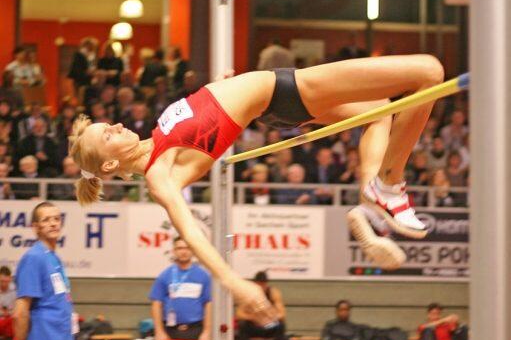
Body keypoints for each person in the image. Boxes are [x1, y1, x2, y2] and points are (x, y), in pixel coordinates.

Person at [68, 54, 445, 323]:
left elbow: (208, 114)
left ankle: (369, 199)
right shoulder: (159, 174)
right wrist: (234, 283)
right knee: (428, 71)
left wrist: (223, 85)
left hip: (272, 100)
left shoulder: (156, 136)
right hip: (286, 90)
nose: (116, 125)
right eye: (108, 135)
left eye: (109, 125)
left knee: (379, 111)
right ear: (110, 165)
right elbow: (192, 234)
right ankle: (388, 186)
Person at [12, 202, 76, 340]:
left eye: (56, 219)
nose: (53, 223)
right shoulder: (33, 258)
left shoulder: (54, 258)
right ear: (35, 227)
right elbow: (20, 312)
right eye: (46, 220)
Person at [149, 236, 211, 340]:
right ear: (174, 251)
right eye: (180, 248)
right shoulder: (165, 275)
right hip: (170, 330)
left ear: (193, 251)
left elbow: (209, 304)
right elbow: (156, 304)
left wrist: (207, 332)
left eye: (187, 248)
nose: (184, 252)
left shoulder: (203, 275)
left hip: (196, 330)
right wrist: (159, 331)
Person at [236, 271, 286, 340]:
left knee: (281, 324)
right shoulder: (248, 294)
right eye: (259, 284)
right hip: (253, 326)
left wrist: (269, 318)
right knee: (242, 324)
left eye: (263, 284)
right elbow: (239, 314)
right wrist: (253, 318)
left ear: (266, 284)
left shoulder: (273, 293)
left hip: (268, 326)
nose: (261, 287)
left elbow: (282, 314)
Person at [0, 266, 16, 340]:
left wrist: (8, 313)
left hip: (10, 328)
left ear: (10, 279)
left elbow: (17, 311)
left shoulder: (15, 292)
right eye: (1, 281)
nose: (4, 284)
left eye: (6, 281)